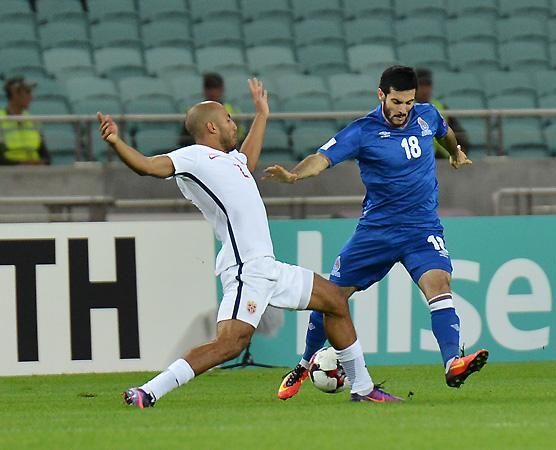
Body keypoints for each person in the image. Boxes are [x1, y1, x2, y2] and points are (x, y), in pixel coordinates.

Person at [97, 78, 402, 408]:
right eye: (228, 119)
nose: (234, 124)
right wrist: (116, 142)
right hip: (246, 270)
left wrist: (262, 114)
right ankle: (148, 391)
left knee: (335, 301)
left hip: (268, 268)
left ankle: (363, 387)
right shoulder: (193, 157)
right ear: (211, 126)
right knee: (230, 344)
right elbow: (148, 167)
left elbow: (248, 162)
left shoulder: (230, 160)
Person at [264, 66, 488, 401]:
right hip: (377, 232)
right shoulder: (362, 131)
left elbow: (445, 132)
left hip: (422, 228)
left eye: (409, 103)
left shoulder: (427, 115)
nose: (403, 110)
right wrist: (295, 176)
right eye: (397, 102)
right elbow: (322, 158)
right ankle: (304, 363)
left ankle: (452, 362)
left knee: (440, 285)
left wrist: (454, 152)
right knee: (332, 298)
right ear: (381, 95)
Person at [415, 68, 470, 159]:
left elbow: (459, 134)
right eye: (421, 85)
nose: (425, 90)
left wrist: (460, 150)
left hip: (441, 158)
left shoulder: (440, 107)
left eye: (428, 85)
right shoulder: (405, 108)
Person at [178, 72, 245, 147]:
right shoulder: (194, 112)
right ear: (204, 90)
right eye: (209, 88)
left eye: (216, 88)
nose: (213, 92)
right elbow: (186, 138)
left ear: (222, 89)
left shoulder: (232, 109)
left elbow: (240, 135)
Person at [0, 77, 51, 165]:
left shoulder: (32, 121)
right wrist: (21, 164)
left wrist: (42, 163)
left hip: (35, 171)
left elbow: (45, 155)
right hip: (8, 172)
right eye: (27, 92)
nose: (31, 97)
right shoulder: (1, 119)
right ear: (14, 93)